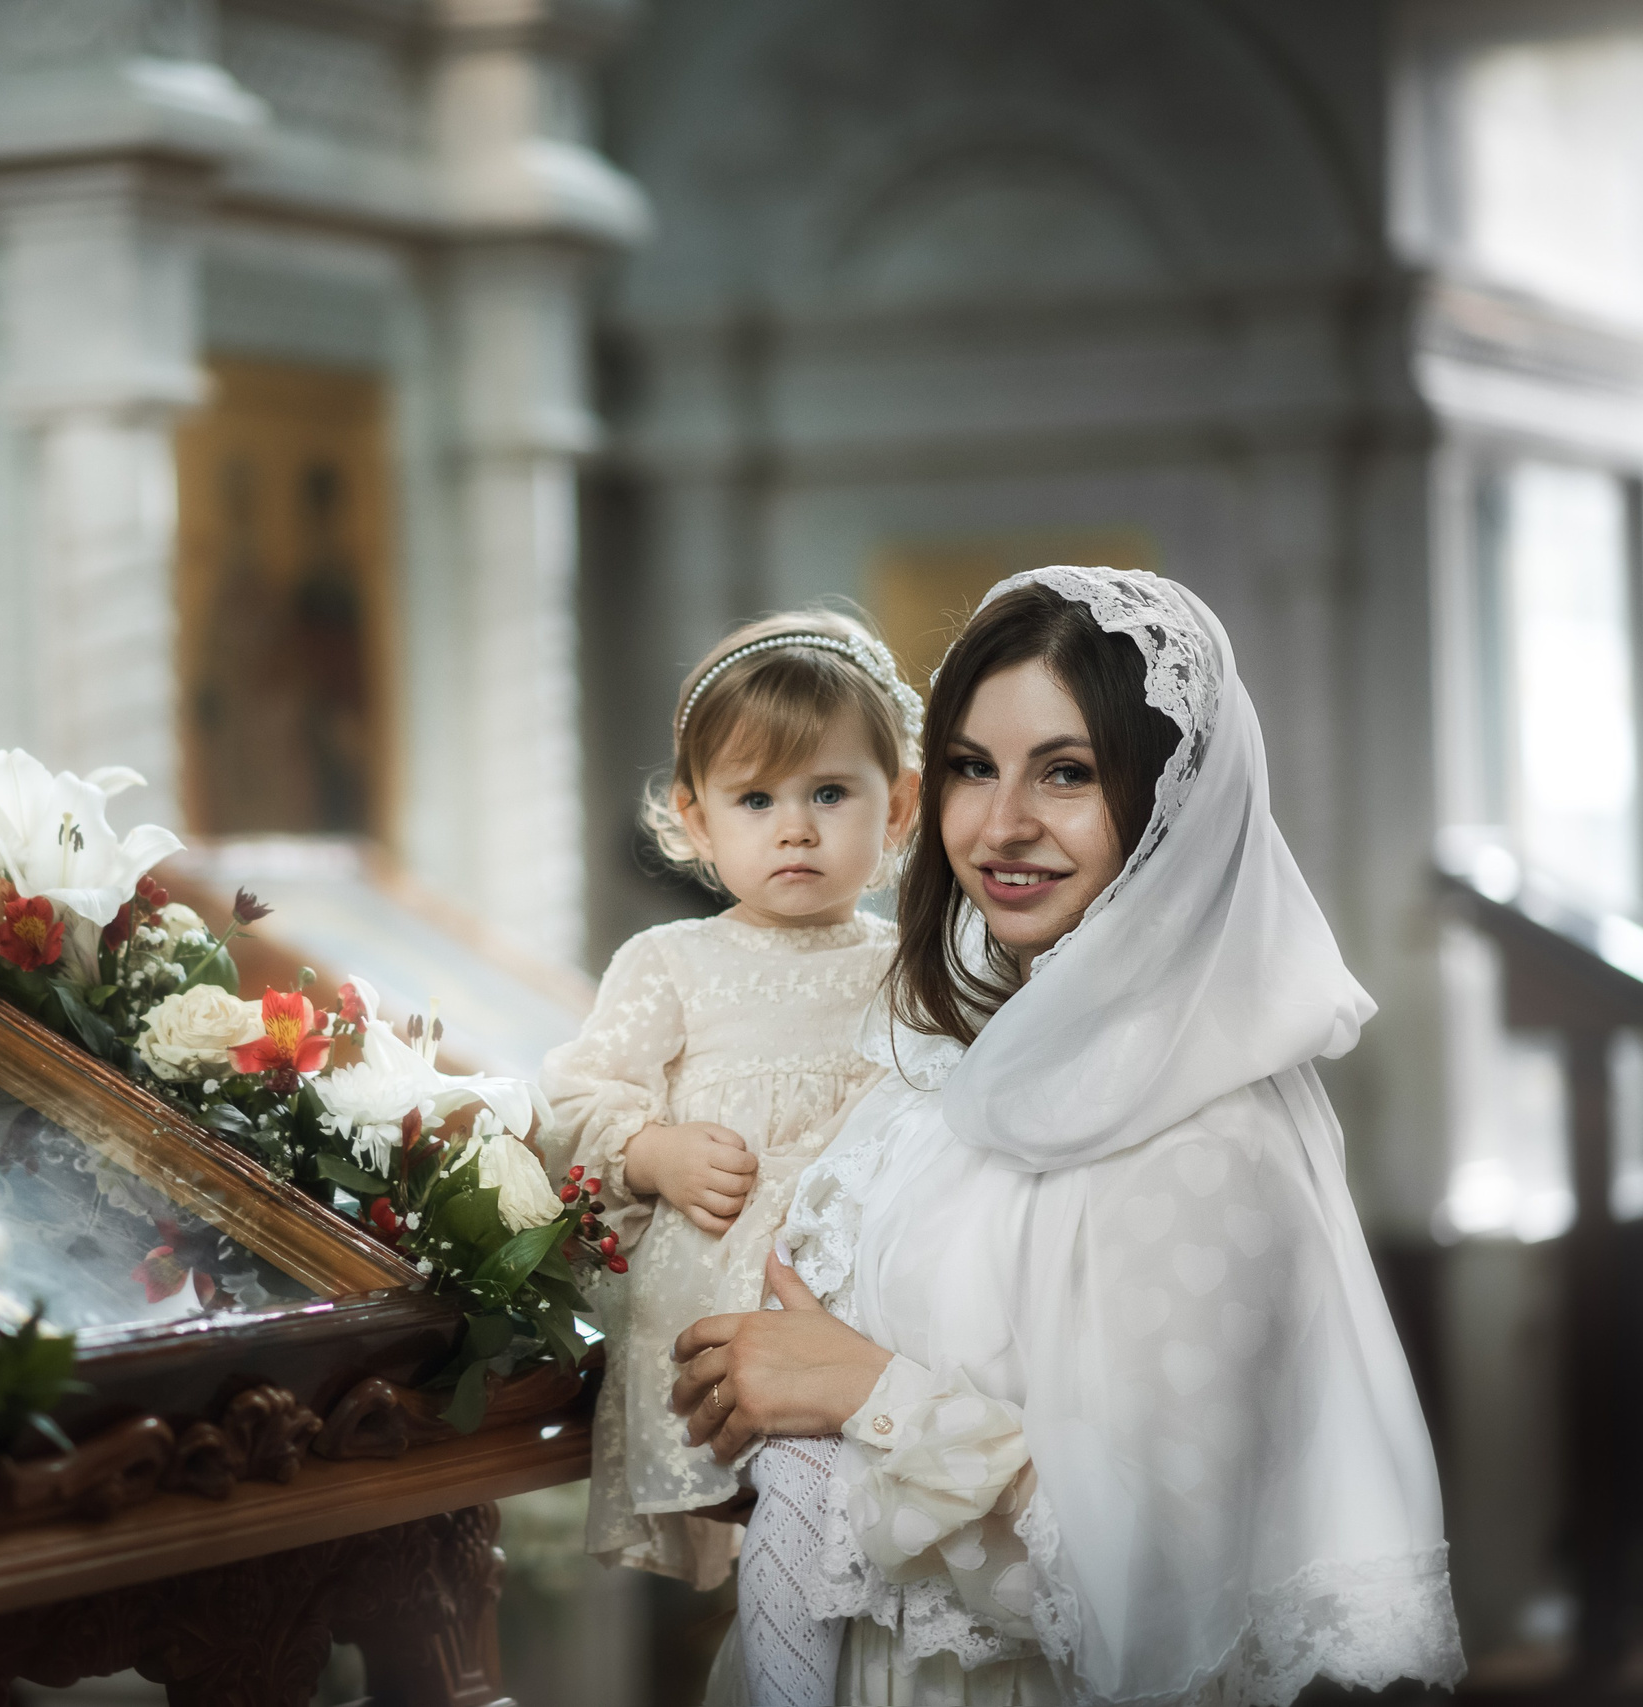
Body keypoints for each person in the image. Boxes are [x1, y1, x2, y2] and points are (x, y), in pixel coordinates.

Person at [675, 568, 1462, 1704]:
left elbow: (1157, 1596)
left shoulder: (1210, 1133)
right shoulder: (954, 1066)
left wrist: (863, 1395)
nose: (1000, 827)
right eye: (970, 768)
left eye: (1067, 774)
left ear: (1170, 802)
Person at [542, 610, 922, 1699]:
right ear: (694, 822)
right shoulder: (671, 963)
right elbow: (574, 1098)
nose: (792, 829)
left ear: (895, 808)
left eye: (828, 794)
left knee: (865, 1549)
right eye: (755, 801)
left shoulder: (910, 965)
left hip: (865, 1308)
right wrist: (651, 1150)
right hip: (721, 1311)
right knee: (784, 1544)